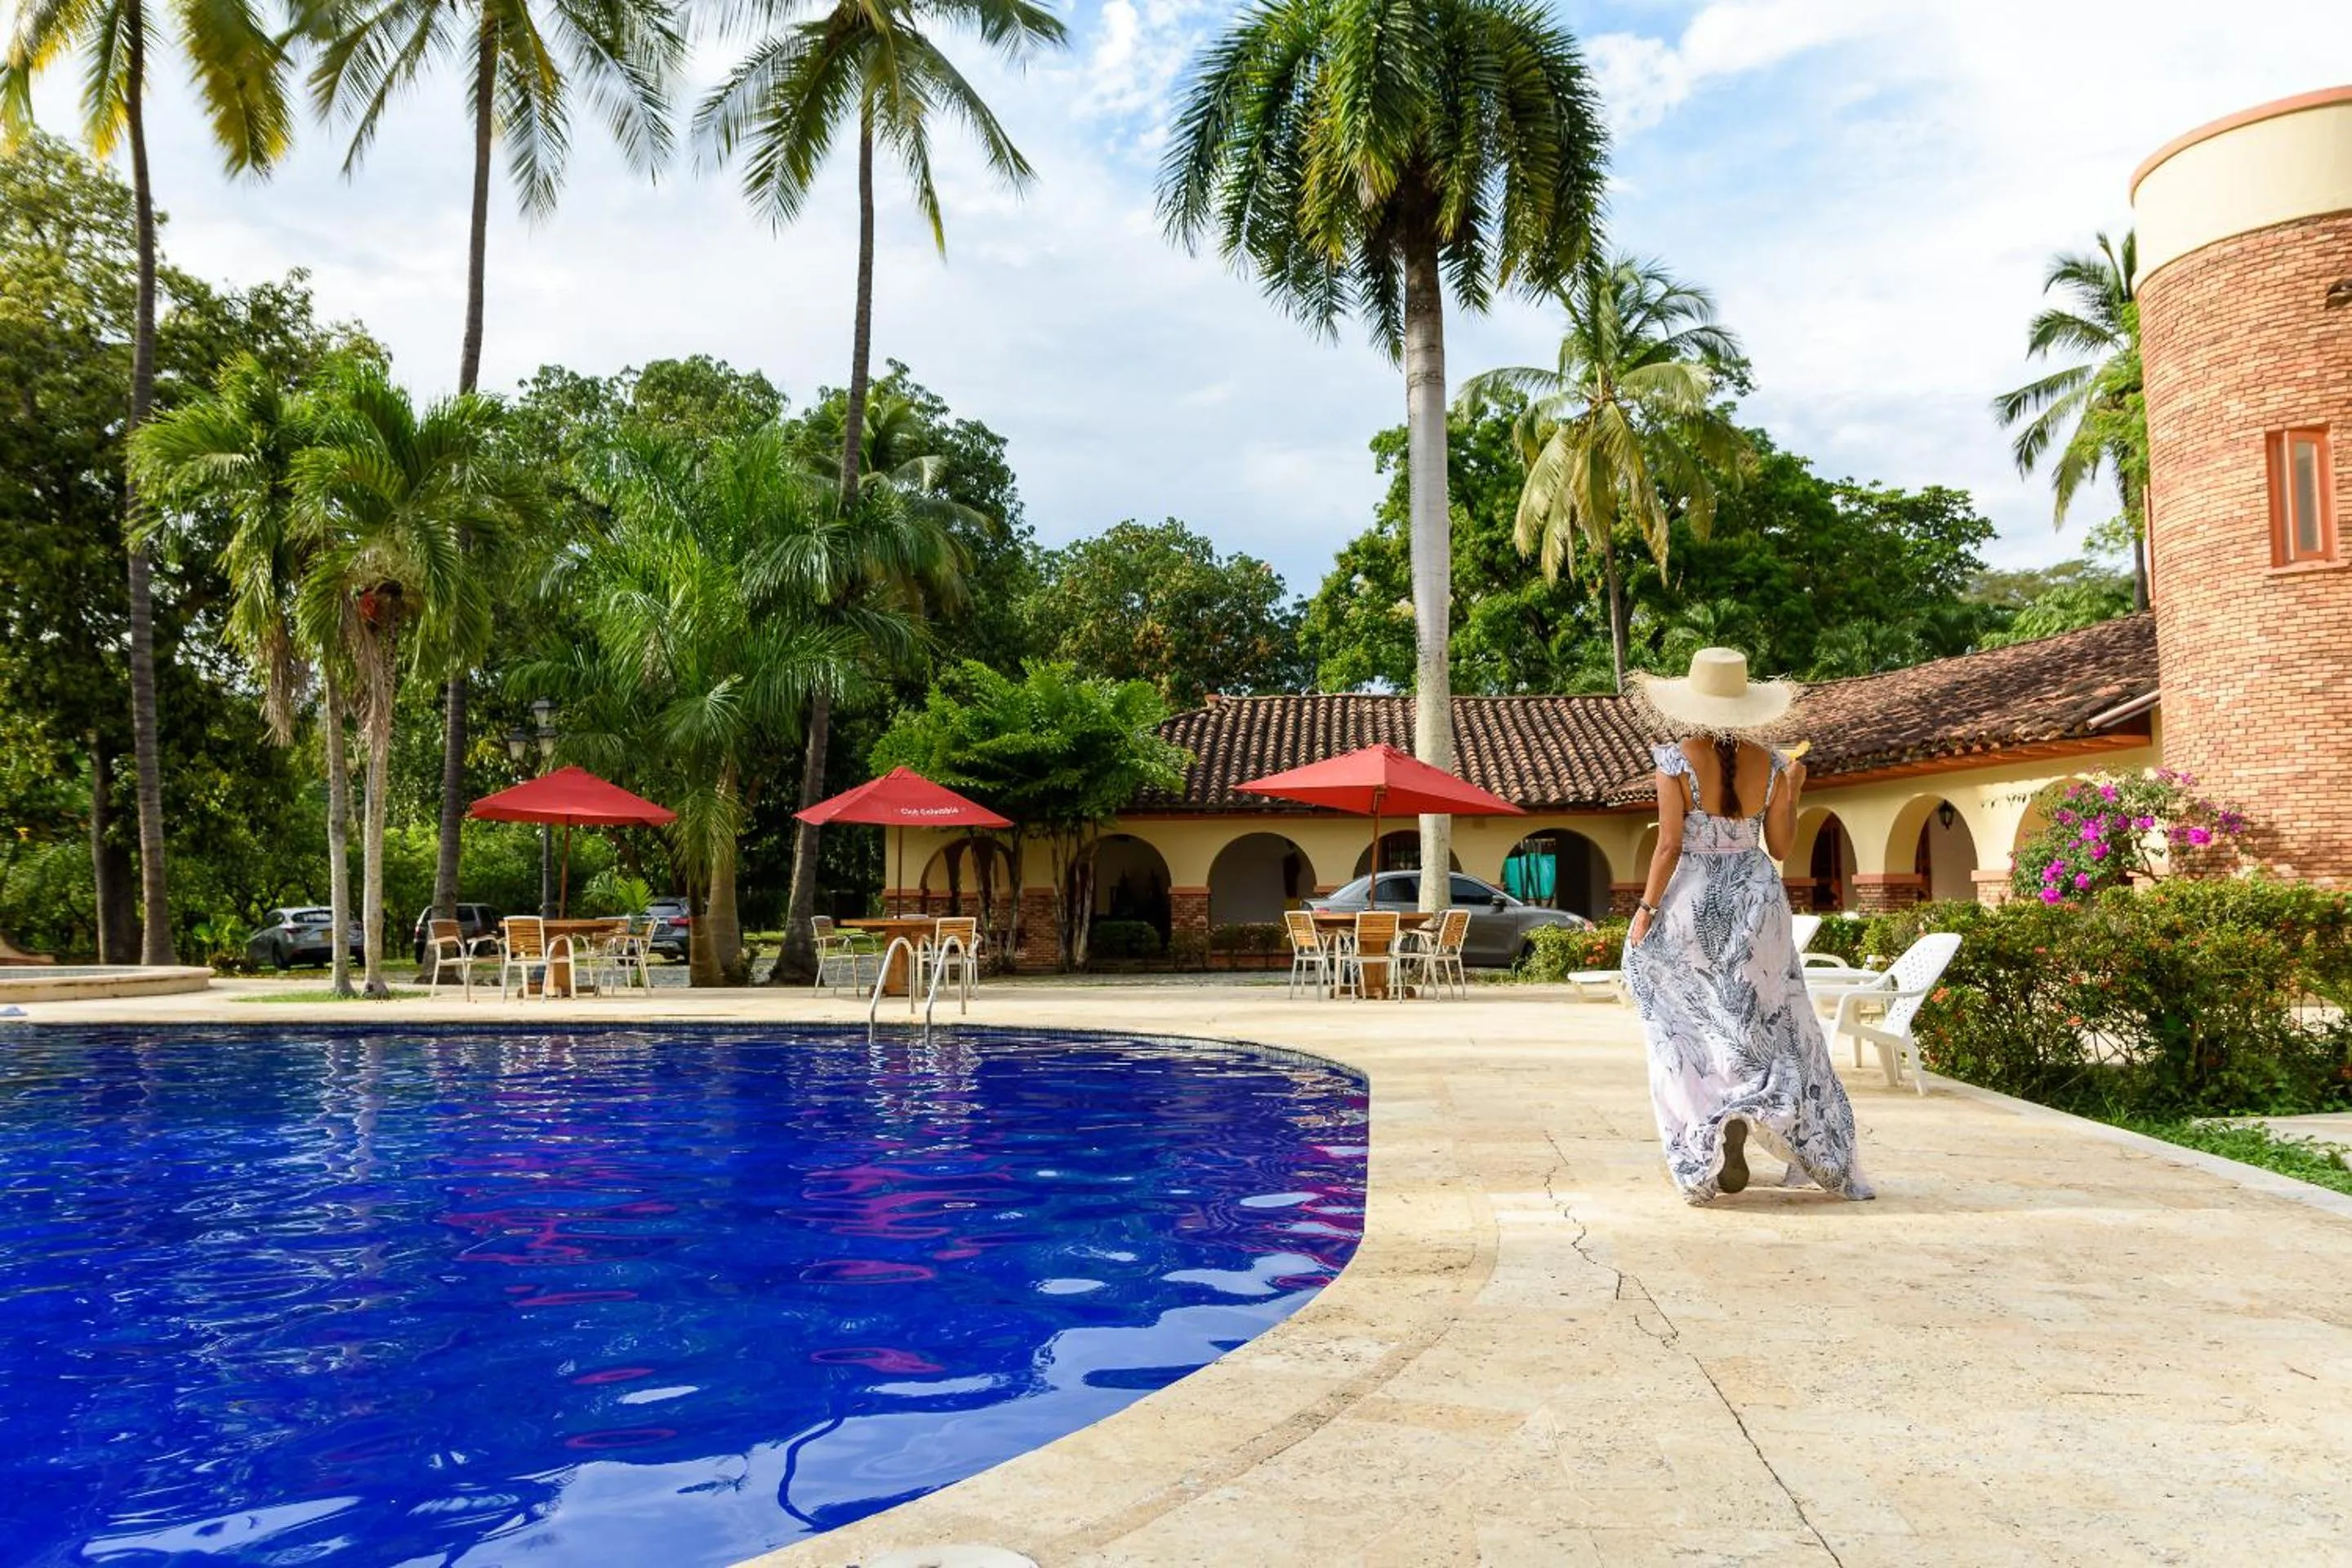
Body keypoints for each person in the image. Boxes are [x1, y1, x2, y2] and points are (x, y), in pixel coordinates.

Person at [1622, 648, 1873, 1205]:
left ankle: (1715, 1117)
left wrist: (1644, 912)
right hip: (1759, 902)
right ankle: (1756, 1105)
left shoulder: (1673, 761)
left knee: (1687, 1024)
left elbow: (1667, 846)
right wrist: (1794, 789)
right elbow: (1780, 847)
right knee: (1769, 1020)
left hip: (1694, 901)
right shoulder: (1777, 765)